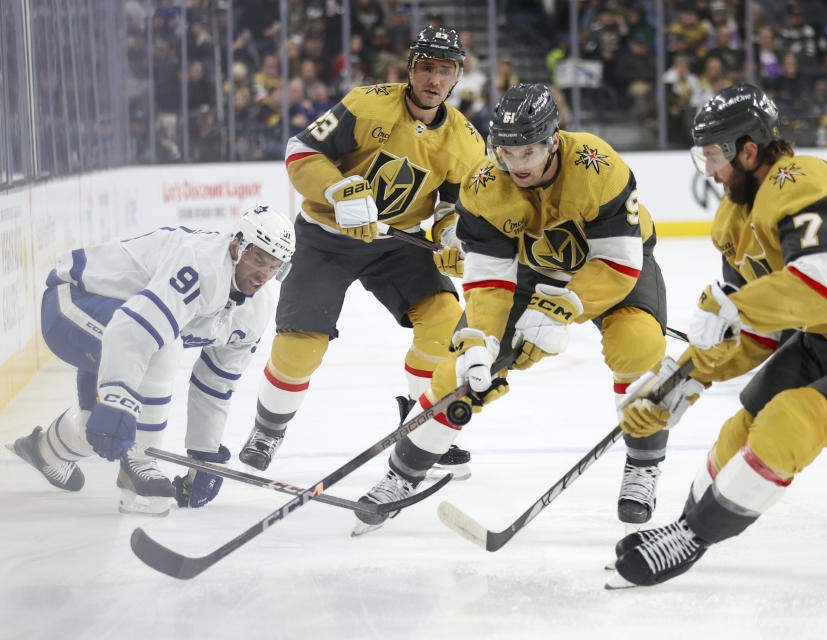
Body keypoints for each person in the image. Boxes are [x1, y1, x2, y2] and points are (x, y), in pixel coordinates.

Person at [607, 84, 827, 588]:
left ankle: (693, 536)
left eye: (714, 155)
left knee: (794, 417)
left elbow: (821, 288)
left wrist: (733, 306)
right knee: (743, 425)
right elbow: (754, 331)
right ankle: (686, 528)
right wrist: (680, 380)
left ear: (748, 151)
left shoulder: (804, 182)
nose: (708, 169)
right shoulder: (735, 217)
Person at [352, 83, 670, 536]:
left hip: (612, 265)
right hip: (532, 270)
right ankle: (400, 476)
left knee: (638, 345)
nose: (516, 164)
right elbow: (488, 280)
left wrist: (562, 308)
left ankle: (643, 465)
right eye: (506, 151)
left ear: (552, 141)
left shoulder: (598, 165)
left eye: (528, 152)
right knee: (461, 370)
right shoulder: (483, 185)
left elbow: (619, 263)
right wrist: (481, 340)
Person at [241, 26, 486, 478]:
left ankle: (420, 428)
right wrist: (339, 189)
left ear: (457, 79)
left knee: (446, 322)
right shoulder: (366, 102)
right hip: (325, 236)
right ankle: (267, 430)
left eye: (445, 71)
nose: (434, 79)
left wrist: (452, 238)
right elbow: (301, 151)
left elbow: (454, 207)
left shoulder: (467, 143)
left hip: (397, 244)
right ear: (411, 69)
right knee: (300, 347)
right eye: (427, 67)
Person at [7, 205, 296, 516]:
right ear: (237, 245)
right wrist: (119, 400)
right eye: (258, 260)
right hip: (74, 301)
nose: (263, 275)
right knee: (159, 349)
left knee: (99, 430)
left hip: (118, 329)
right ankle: (139, 465)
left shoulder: (257, 309)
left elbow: (216, 383)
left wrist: (204, 454)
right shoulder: (200, 264)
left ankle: (41, 451)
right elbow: (134, 331)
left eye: (274, 266)